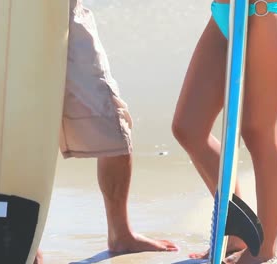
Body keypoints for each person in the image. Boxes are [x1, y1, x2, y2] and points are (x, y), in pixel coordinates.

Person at [35, 1, 178, 263]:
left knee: (113, 123)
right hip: (0, 20)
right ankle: (26, 240)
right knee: (18, 130)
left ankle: (120, 234)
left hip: (64, 15)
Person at [171, 0, 277, 263]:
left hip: (264, 13)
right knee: (188, 128)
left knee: (258, 133)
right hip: (224, 13)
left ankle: (264, 248)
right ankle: (239, 232)